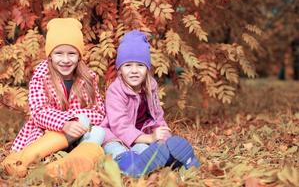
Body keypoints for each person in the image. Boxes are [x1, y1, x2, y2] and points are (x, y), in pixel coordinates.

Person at [1, 18, 106, 179]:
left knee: (98, 131)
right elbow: (38, 112)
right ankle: (21, 160)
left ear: (79, 56)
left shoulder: (88, 78)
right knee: (82, 119)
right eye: (59, 53)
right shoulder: (42, 76)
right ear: (50, 55)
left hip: (80, 135)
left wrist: (77, 119)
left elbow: (99, 113)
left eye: (71, 53)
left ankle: (64, 168)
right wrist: (65, 122)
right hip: (46, 136)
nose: (65, 60)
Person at [101, 30, 200, 178]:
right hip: (116, 136)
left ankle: (172, 159)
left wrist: (163, 137)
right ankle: (128, 166)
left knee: (144, 150)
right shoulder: (115, 91)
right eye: (128, 65)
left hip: (141, 137)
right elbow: (119, 126)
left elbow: (157, 116)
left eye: (140, 65)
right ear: (120, 70)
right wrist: (149, 138)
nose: (134, 71)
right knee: (114, 149)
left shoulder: (150, 86)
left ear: (147, 69)